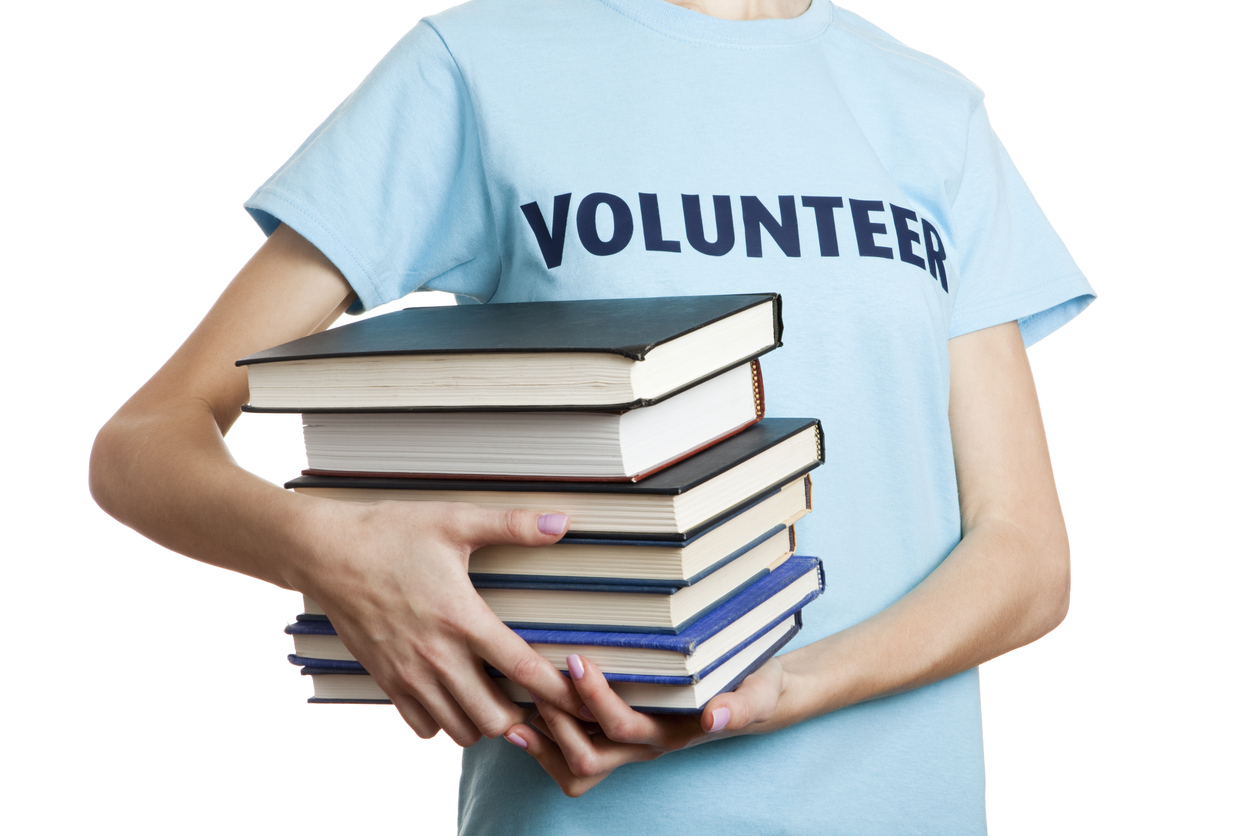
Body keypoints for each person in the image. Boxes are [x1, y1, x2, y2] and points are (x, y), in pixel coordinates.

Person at [89, 0, 1095, 832]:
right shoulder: (478, 68)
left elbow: (1024, 551)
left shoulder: (932, 112)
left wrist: (783, 687)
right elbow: (146, 441)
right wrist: (335, 548)